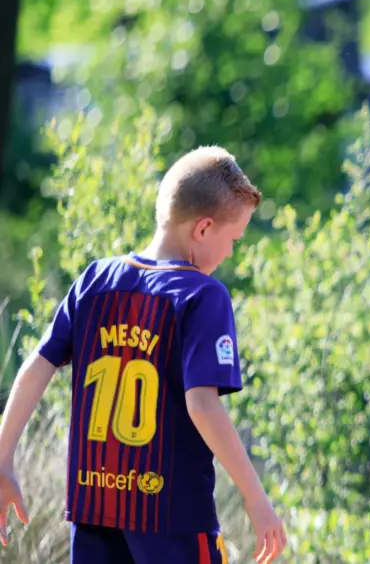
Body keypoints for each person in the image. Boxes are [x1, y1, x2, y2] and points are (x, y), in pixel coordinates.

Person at [0, 146, 289, 563]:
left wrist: (4, 455)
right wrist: (255, 497)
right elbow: (202, 405)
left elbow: (38, 364)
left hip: (95, 509)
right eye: (233, 240)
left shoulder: (96, 279)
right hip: (173, 519)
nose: (230, 254)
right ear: (204, 229)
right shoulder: (203, 295)